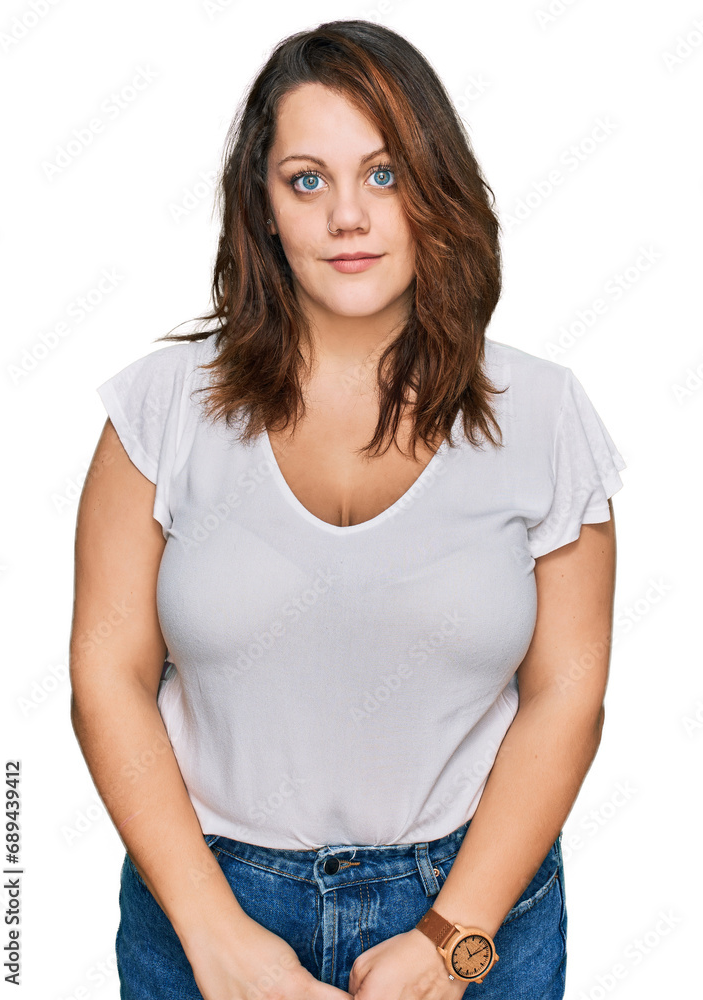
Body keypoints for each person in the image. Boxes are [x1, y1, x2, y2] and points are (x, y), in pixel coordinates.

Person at [69, 19, 626, 1000]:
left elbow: (565, 699)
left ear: (431, 186)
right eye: (306, 179)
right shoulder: (157, 411)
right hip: (205, 899)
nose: (346, 218)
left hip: (476, 902)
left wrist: (455, 940)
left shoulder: (543, 414)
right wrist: (210, 934)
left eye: (381, 174)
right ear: (264, 206)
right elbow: (105, 676)